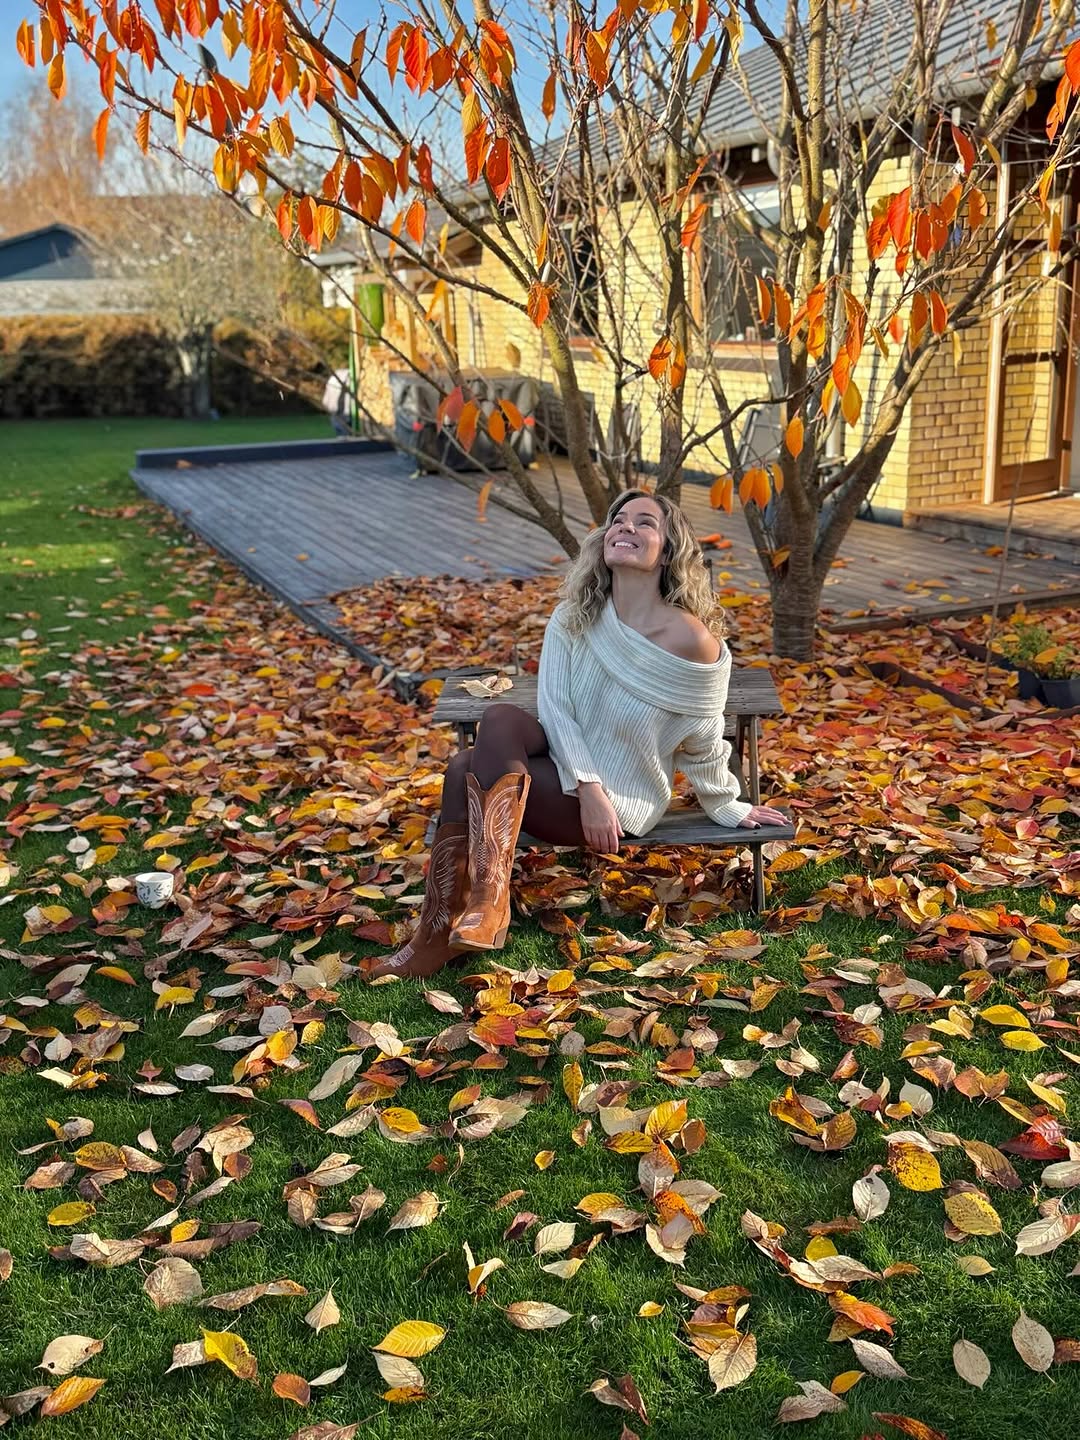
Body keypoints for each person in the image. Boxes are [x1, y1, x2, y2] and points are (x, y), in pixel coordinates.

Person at [366, 488, 788, 980]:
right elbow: (556, 711)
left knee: (463, 767)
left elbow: (704, 736)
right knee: (499, 719)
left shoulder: (692, 639)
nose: (626, 527)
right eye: (619, 519)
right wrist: (587, 785)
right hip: (571, 778)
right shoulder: (575, 617)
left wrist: (727, 804)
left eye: (645, 522)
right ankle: (478, 909)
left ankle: (441, 936)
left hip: (620, 804)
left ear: (668, 552)